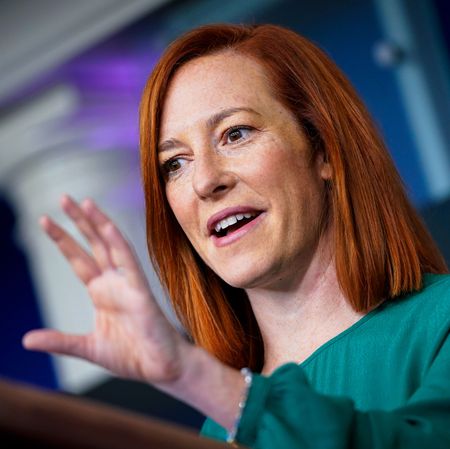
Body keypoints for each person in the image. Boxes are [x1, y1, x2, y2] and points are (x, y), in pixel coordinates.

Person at [23, 24, 450, 448]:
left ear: (323, 149)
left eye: (235, 133)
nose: (204, 181)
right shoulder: (218, 430)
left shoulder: (441, 321)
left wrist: (193, 375)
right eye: (175, 163)